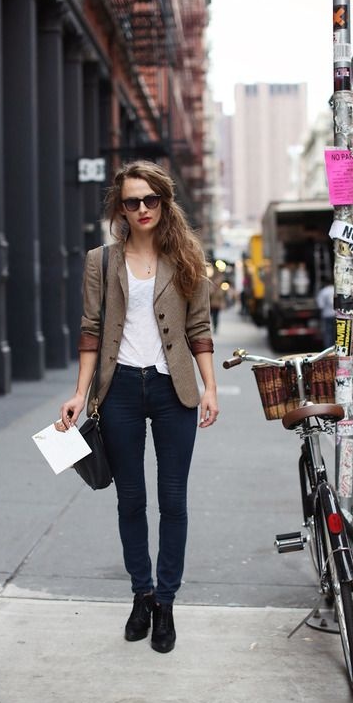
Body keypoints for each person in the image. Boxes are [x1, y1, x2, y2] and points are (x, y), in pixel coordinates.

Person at [60, 160, 219, 654]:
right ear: (120, 207)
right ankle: (141, 595)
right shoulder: (100, 261)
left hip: (175, 391)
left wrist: (209, 388)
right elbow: (90, 332)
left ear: (164, 202)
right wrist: (79, 394)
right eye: (133, 201)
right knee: (130, 501)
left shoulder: (187, 257)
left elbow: (199, 330)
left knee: (173, 502)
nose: (143, 208)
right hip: (120, 389)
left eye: (151, 199)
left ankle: (166, 603)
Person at [316, 279, 335, 348]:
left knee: (328, 333)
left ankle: (329, 348)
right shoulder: (337, 290)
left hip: (327, 315)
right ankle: (337, 347)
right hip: (337, 314)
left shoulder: (323, 292)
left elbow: (320, 305)